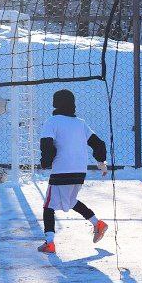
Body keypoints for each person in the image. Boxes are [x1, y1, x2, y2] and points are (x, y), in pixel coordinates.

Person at [37, 89, 109, 254]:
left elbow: (47, 144)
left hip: (62, 170)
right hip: (79, 171)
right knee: (70, 201)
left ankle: (49, 242)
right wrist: (101, 162)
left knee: (48, 205)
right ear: (73, 104)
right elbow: (99, 144)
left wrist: (45, 162)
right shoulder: (80, 123)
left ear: (55, 103)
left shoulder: (52, 121)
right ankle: (98, 224)